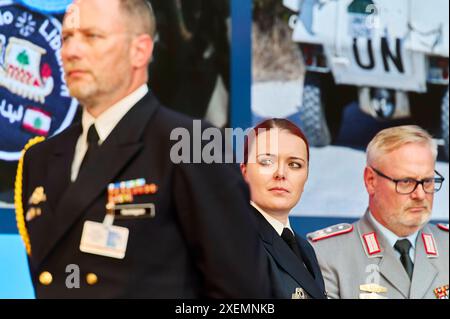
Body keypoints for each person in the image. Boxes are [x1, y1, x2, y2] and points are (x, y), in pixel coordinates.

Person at [15, 0, 270, 298]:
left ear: (140, 51)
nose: (71, 52)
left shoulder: (191, 144)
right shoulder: (41, 158)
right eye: (66, 38)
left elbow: (243, 297)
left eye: (92, 36)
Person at [308, 125, 449, 299]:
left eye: (427, 181)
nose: (420, 194)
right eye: (406, 182)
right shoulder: (325, 255)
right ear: (371, 181)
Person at [240, 118, 327, 299]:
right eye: (266, 162)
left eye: (294, 164)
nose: (281, 173)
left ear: (306, 177)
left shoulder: (305, 248)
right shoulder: (231, 241)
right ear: (244, 172)